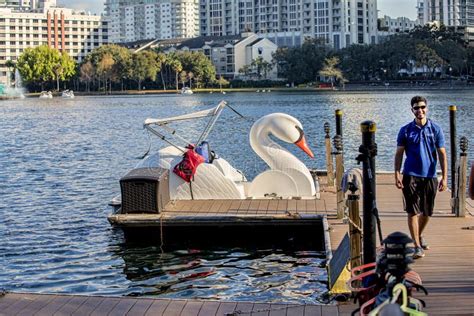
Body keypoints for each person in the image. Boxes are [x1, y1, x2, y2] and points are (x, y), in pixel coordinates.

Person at [394, 96, 448, 259]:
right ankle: (417, 246)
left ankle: (418, 235)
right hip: (410, 175)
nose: (420, 110)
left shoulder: (436, 129)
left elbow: (442, 154)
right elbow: (399, 153)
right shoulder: (405, 130)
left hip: (430, 176)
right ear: (412, 110)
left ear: (427, 108)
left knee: (427, 212)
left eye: (422, 107)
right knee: (412, 211)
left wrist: (444, 178)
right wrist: (397, 173)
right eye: (416, 108)